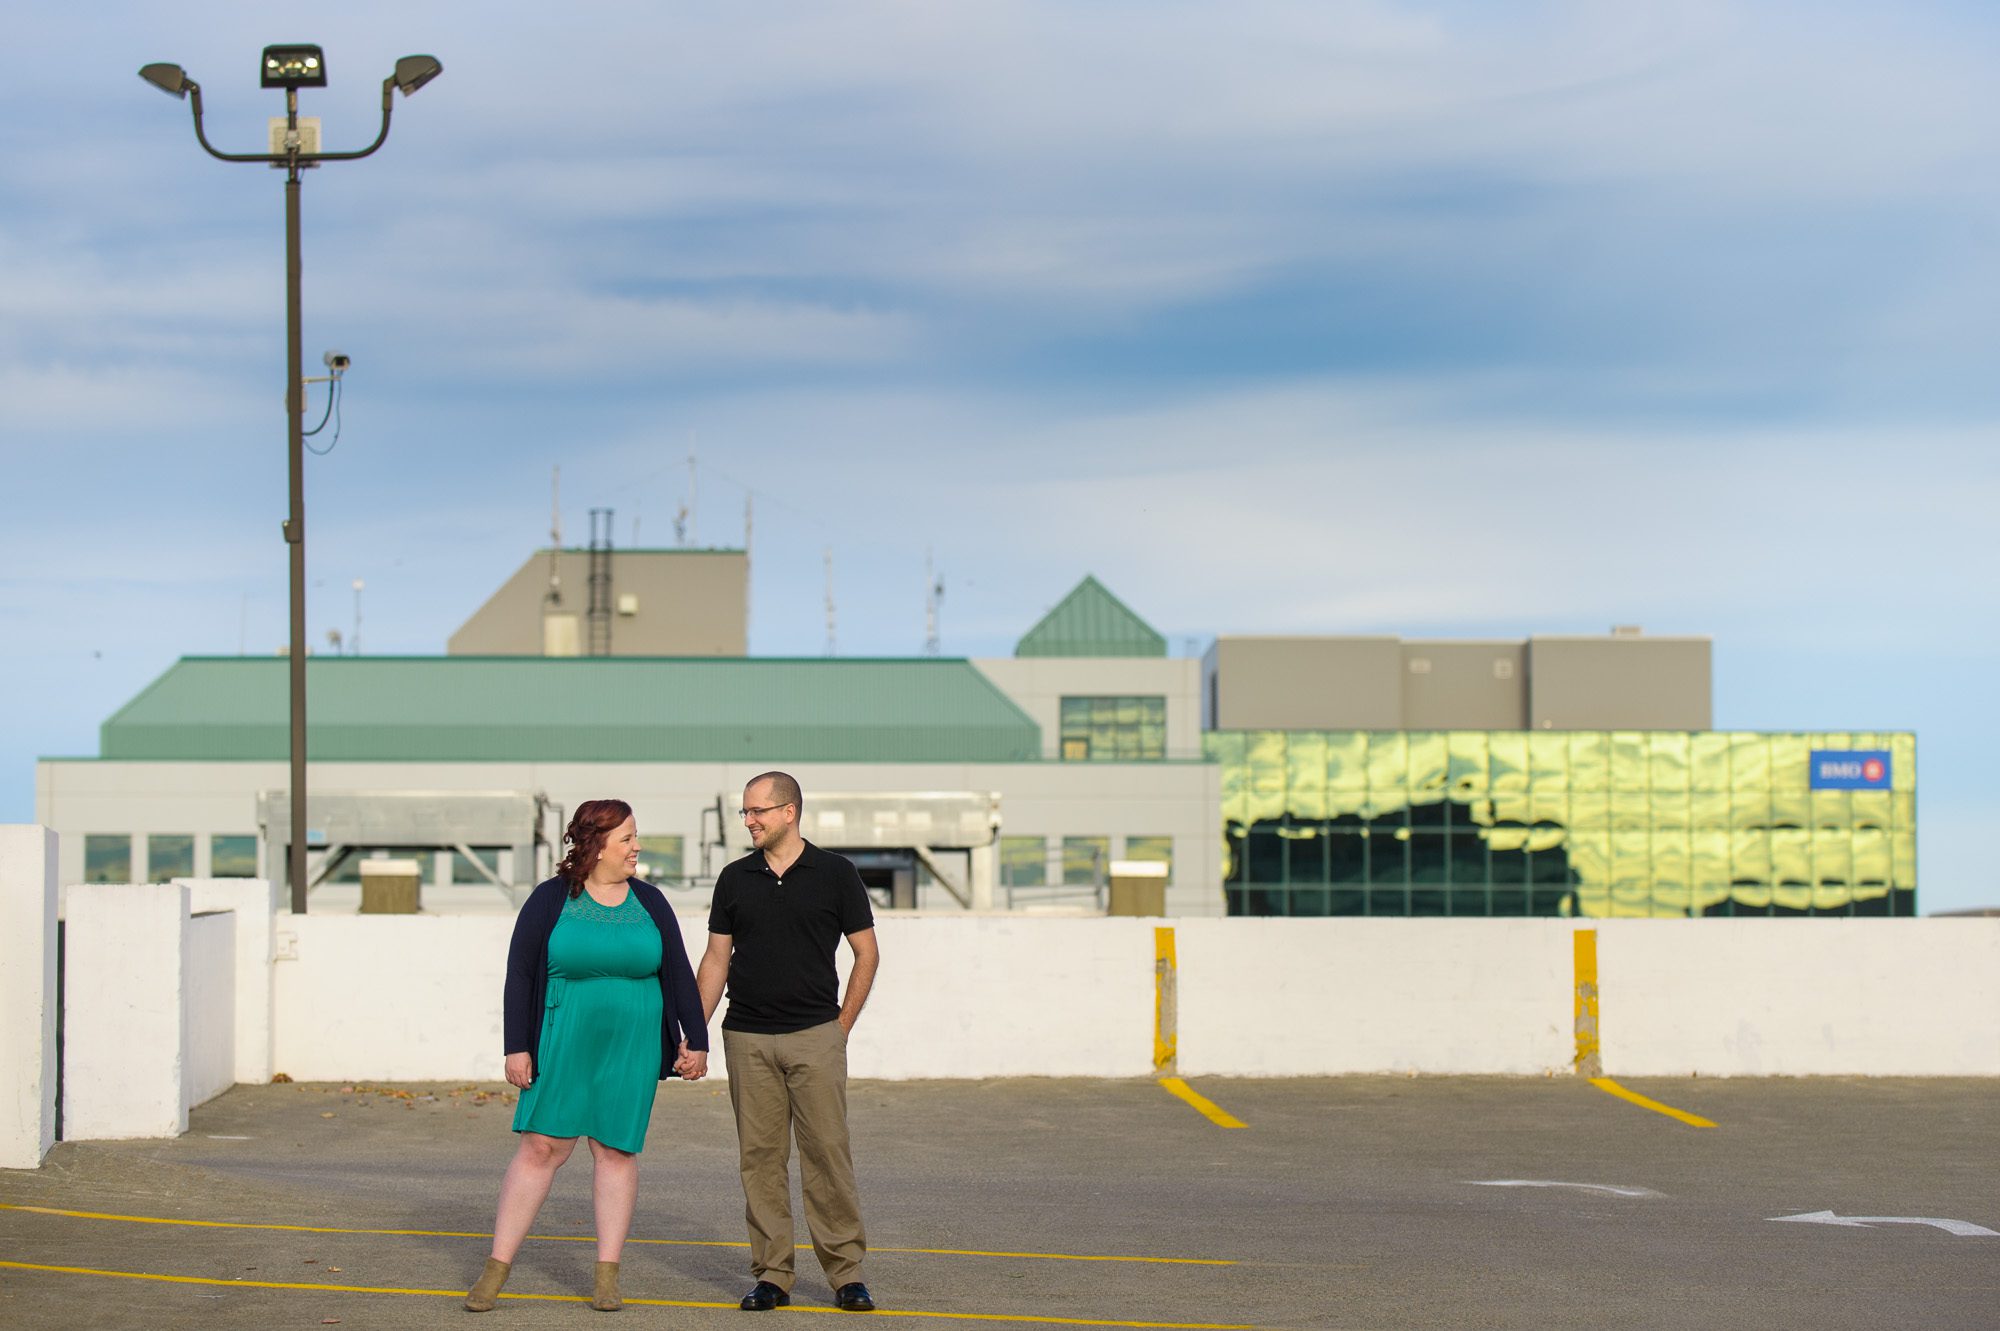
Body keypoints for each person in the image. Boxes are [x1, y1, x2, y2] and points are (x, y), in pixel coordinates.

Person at [466, 799, 710, 1313]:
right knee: (542, 1147)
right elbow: (521, 974)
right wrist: (517, 1046)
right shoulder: (551, 898)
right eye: (626, 839)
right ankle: (496, 1269)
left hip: (634, 1041)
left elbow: (679, 972)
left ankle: (606, 1275)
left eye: (635, 837)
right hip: (563, 1034)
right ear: (596, 846)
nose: (636, 847)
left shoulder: (650, 901)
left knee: (616, 1149)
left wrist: (697, 1039)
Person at [696, 771, 881, 1313]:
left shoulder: (836, 874)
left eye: (757, 811)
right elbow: (715, 959)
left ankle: (846, 1274)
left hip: (815, 1037)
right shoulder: (734, 879)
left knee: (827, 1154)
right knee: (759, 1159)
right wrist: (694, 1035)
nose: (748, 820)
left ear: (789, 812)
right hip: (746, 1038)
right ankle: (772, 1275)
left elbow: (866, 954)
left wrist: (839, 1029)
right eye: (744, 812)